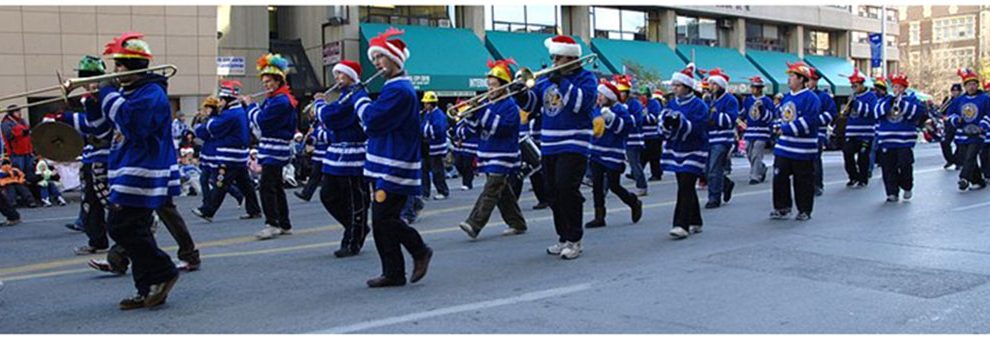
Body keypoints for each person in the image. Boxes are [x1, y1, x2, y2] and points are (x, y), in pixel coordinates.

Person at [91, 32, 181, 309]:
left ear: (134, 67)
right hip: (126, 167)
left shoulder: (152, 93)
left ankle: (164, 271)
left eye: (120, 65)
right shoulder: (124, 93)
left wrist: (105, 93)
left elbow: (132, 124)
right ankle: (147, 288)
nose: (115, 70)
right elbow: (100, 130)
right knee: (133, 227)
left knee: (121, 226)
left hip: (144, 169)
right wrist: (91, 101)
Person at [353, 27, 432, 287]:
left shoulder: (399, 90)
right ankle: (393, 272)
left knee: (383, 218)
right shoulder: (392, 88)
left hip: (395, 164)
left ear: (395, 60)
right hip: (386, 162)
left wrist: (359, 100)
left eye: (381, 58)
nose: (376, 63)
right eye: (374, 59)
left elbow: (372, 121)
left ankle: (418, 249)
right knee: (383, 221)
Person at [514, 35, 597, 259]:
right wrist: (521, 94)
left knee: (566, 188)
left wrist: (562, 81)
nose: (554, 62)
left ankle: (575, 238)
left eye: (558, 58)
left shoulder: (586, 78)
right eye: (553, 58)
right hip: (549, 143)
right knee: (551, 192)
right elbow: (533, 106)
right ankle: (563, 237)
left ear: (570, 57)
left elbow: (580, 104)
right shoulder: (547, 80)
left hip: (575, 142)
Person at [455, 59, 527, 240]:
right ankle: (517, 222)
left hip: (504, 154)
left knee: (491, 190)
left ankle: (474, 223)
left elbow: (500, 128)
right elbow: (475, 130)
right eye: (489, 86)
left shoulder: (510, 106)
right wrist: (470, 116)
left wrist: (479, 113)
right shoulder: (487, 104)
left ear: (504, 86)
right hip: (487, 153)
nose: (490, 90)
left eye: (494, 86)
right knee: (502, 192)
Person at [312, 59, 371, 258]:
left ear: (352, 76)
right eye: (336, 75)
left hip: (353, 156)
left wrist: (320, 104)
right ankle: (357, 227)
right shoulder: (345, 96)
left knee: (355, 199)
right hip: (336, 155)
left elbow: (333, 116)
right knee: (328, 195)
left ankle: (353, 240)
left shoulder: (355, 94)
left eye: (341, 74)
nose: (337, 78)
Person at [56, 55, 111, 255]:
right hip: (92, 155)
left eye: (89, 77)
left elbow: (99, 128)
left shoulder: (105, 97)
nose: (87, 83)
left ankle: (138, 232)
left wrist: (69, 118)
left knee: (111, 201)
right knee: (90, 201)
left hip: (106, 155)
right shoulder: (92, 99)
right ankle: (97, 241)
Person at [191, 82, 262, 222]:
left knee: (221, 183)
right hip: (238, 155)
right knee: (245, 184)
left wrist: (208, 119)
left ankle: (208, 211)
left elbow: (212, 127)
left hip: (230, 156)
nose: (220, 103)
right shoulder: (238, 112)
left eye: (222, 100)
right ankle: (254, 209)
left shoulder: (230, 114)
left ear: (229, 100)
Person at [244, 53, 297, 240]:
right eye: (264, 82)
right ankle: (284, 222)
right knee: (275, 186)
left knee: (267, 186)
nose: (266, 85)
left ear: (278, 81)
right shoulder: (275, 99)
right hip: (272, 147)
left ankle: (272, 223)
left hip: (275, 148)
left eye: (269, 81)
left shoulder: (280, 101)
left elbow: (263, 122)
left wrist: (250, 107)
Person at [583, 79, 642, 231]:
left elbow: (627, 127)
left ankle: (633, 202)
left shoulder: (620, 109)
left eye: (602, 95)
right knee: (597, 186)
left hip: (613, 154)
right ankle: (599, 216)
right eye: (598, 95)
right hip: (596, 152)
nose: (599, 97)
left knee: (614, 185)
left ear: (609, 97)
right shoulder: (595, 108)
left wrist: (611, 118)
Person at [659, 64, 708, 239]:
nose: (674, 88)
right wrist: (666, 124)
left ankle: (681, 224)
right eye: (673, 85)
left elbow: (698, 128)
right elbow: (663, 127)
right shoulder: (672, 103)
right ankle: (696, 220)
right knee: (684, 186)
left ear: (687, 87)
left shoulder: (699, 105)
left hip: (695, 150)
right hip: (677, 150)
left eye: (678, 85)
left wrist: (680, 123)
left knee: (686, 186)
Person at [770, 62, 821, 221]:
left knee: (803, 181)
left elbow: (810, 121)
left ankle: (804, 210)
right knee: (779, 177)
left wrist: (786, 129)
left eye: (792, 76)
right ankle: (782, 207)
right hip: (784, 147)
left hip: (803, 149)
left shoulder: (811, 98)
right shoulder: (786, 97)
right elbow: (779, 117)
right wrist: (776, 127)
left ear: (801, 79)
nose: (789, 79)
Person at [873, 73, 924, 202]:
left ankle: (907, 186)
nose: (897, 90)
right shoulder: (885, 99)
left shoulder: (912, 100)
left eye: (900, 87)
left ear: (904, 88)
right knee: (888, 168)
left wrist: (902, 105)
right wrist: (888, 103)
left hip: (904, 141)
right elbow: (876, 113)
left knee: (905, 165)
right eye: (895, 87)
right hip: (887, 140)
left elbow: (917, 114)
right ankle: (892, 192)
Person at [948, 67, 990, 191]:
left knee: (970, 156)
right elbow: (950, 114)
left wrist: (982, 126)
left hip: (978, 134)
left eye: (974, 84)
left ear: (977, 85)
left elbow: (989, 114)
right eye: (969, 84)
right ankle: (978, 180)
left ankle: (964, 178)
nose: (971, 87)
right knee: (965, 157)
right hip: (962, 134)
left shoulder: (985, 99)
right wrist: (956, 120)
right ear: (965, 86)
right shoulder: (959, 100)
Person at [702, 68, 738, 209]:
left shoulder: (730, 100)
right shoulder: (709, 100)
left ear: (721, 86)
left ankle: (714, 198)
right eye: (710, 84)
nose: (710, 87)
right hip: (709, 139)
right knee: (705, 170)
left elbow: (730, 120)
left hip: (722, 139)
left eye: (714, 84)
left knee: (714, 169)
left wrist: (713, 117)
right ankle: (726, 184)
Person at [842, 68, 876, 188]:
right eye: (852, 86)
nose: (854, 88)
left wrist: (856, 104)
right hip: (851, 132)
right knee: (847, 154)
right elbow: (846, 114)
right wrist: (845, 110)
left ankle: (863, 178)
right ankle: (853, 176)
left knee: (863, 157)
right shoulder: (852, 97)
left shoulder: (871, 96)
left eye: (855, 85)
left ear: (862, 85)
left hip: (865, 133)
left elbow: (872, 112)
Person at [615, 75, 648, 196]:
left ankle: (642, 186)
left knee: (635, 164)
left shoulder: (635, 104)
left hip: (634, 140)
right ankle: (605, 188)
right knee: (613, 163)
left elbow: (638, 120)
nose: (620, 95)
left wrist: (624, 117)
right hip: (622, 139)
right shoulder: (617, 104)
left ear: (627, 93)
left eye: (622, 93)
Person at [741, 76, 774, 185]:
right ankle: (761, 167)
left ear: (760, 89)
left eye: (755, 88)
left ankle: (755, 176)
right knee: (749, 152)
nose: (752, 90)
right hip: (750, 132)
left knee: (756, 153)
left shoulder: (767, 101)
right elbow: (744, 113)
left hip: (762, 132)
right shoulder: (748, 100)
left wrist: (762, 110)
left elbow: (769, 117)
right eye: (752, 87)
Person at [809, 69, 837, 197]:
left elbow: (832, 113)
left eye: (812, 80)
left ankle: (817, 185)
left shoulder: (823, 97)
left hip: (817, 133)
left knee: (815, 159)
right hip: (800, 135)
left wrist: (815, 121)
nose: (809, 82)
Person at [420, 91, 450, 200]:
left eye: (427, 103)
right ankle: (425, 192)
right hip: (426, 146)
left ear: (432, 103)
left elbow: (439, 129)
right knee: (424, 169)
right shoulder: (426, 114)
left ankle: (443, 191)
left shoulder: (439, 114)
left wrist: (424, 130)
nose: (425, 105)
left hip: (436, 147)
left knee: (437, 170)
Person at [1, 106, 35, 181]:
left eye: (19, 111)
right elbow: (9, 136)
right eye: (16, 112)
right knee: (19, 171)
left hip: (27, 150)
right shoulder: (6, 123)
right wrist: (21, 133)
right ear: (11, 113)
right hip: (16, 152)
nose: (19, 113)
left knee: (29, 170)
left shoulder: (22, 121)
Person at [641, 88, 666, 181]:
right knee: (643, 155)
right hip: (644, 135)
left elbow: (654, 118)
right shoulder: (640, 104)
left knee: (654, 156)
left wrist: (644, 117)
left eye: (643, 95)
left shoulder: (654, 103)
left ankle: (656, 174)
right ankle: (636, 172)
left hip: (654, 134)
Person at [938, 84, 963, 169]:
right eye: (953, 91)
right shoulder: (948, 100)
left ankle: (958, 161)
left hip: (959, 124)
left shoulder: (963, 100)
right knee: (944, 142)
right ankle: (950, 159)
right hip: (948, 124)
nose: (955, 93)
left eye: (957, 91)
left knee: (959, 144)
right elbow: (941, 110)